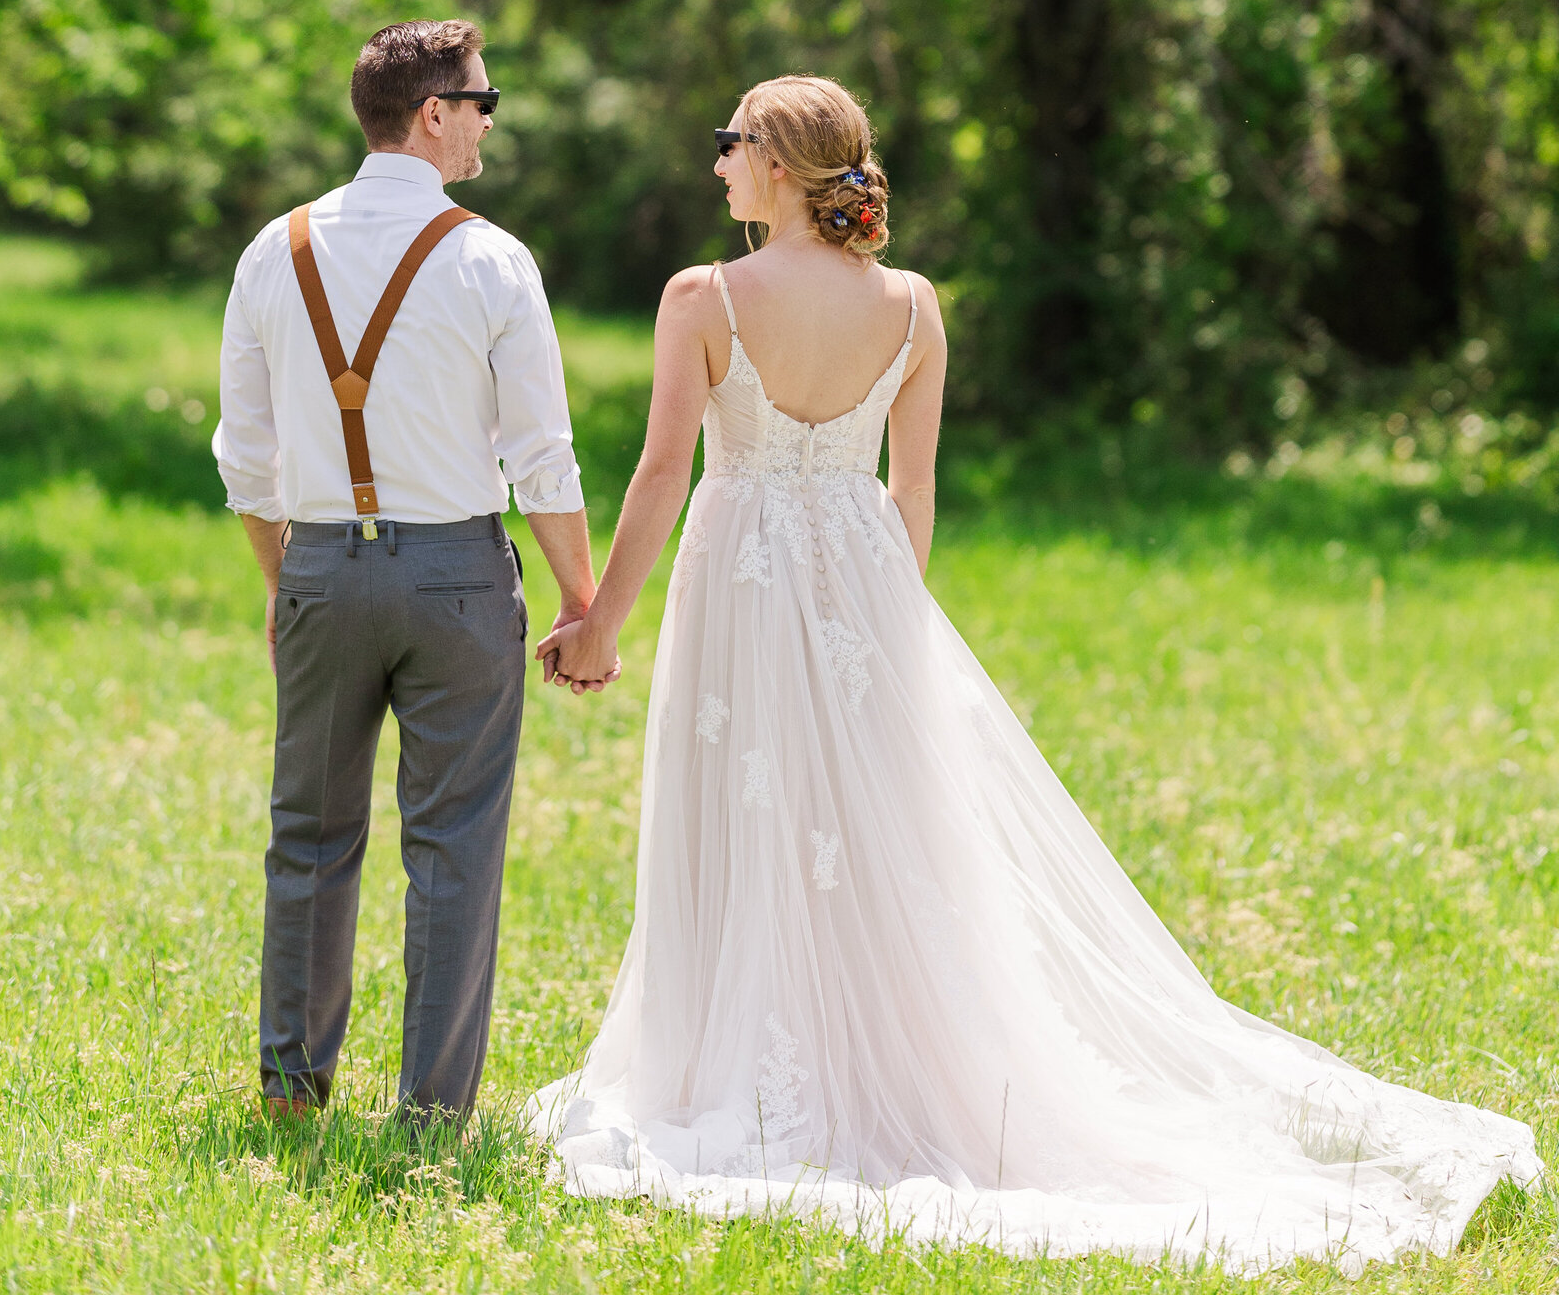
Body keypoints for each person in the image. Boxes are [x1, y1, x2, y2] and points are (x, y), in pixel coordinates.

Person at [529, 73, 1539, 1270]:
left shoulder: (704, 297)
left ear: (783, 167)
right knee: (865, 825)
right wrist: (884, 627)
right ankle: (850, 1053)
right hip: (862, 579)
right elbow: (912, 489)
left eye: (729, 143)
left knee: (741, 808)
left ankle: (733, 1067)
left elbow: (659, 474)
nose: (715, 166)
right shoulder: (910, 306)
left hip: (741, 569)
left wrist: (599, 622)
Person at [214, 17, 606, 1125]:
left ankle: (292, 1092)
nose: (487, 120)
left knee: (309, 834)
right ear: (432, 114)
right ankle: (431, 1112)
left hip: (323, 572)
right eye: (480, 101)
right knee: (454, 846)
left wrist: (285, 577)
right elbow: (543, 457)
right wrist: (582, 602)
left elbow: (247, 458)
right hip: (457, 582)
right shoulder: (491, 259)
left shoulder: (272, 248)